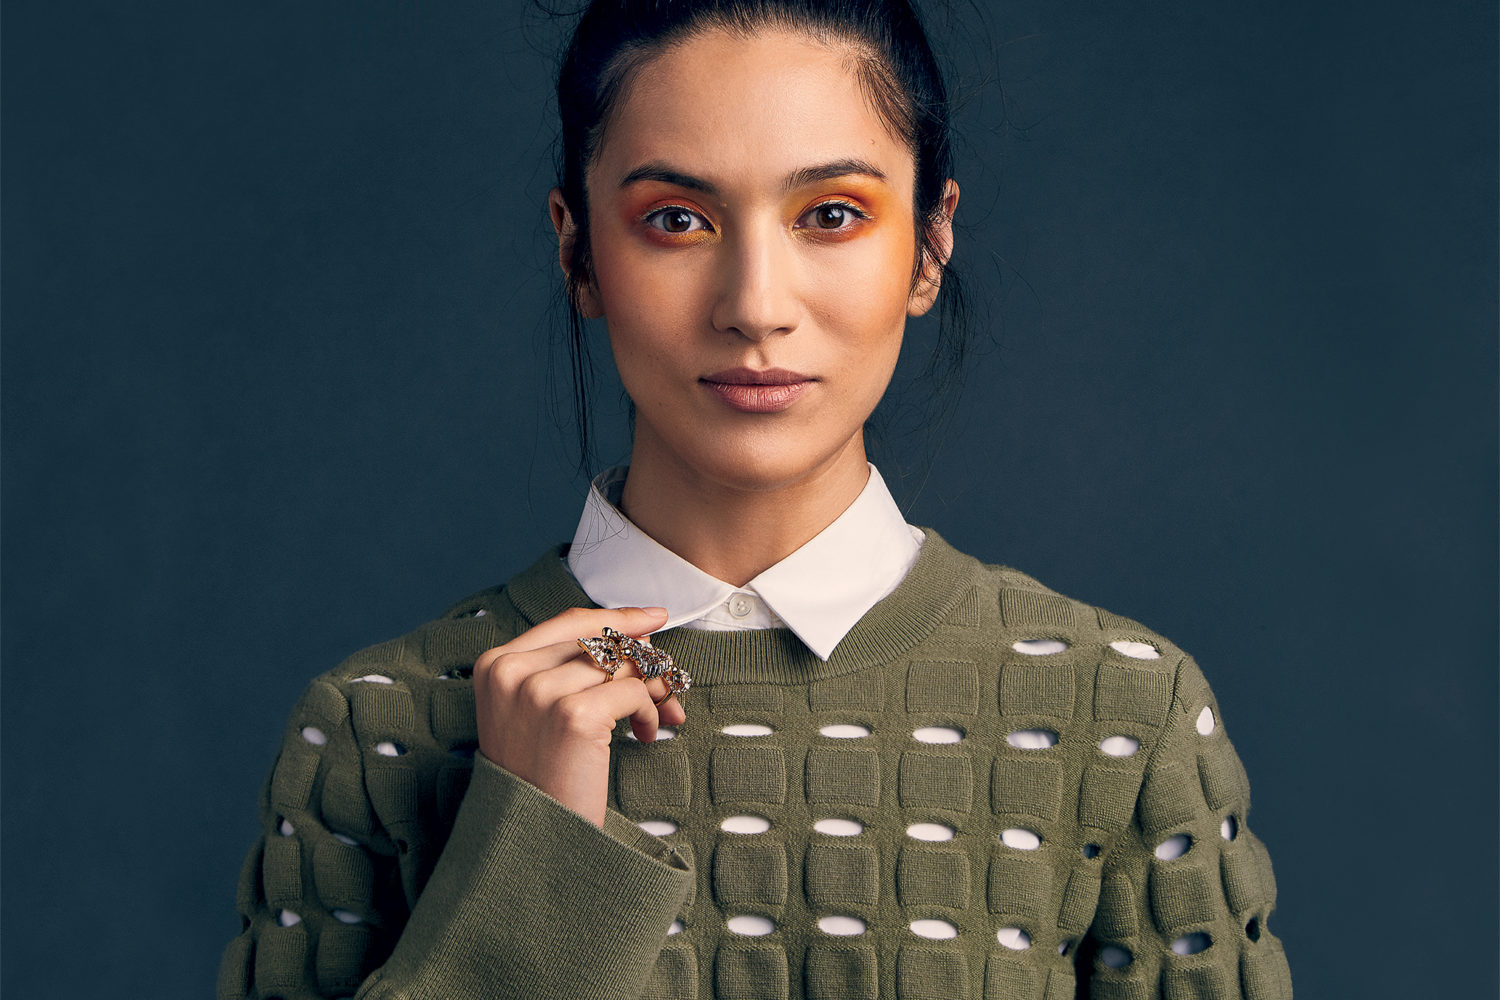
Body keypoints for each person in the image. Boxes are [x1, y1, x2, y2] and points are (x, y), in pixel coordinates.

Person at [218, 2, 1292, 998]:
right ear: (575, 250)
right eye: (677, 219)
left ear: (930, 243)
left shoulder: (1121, 717)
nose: (755, 305)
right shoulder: (378, 728)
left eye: (831, 213)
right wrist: (530, 858)